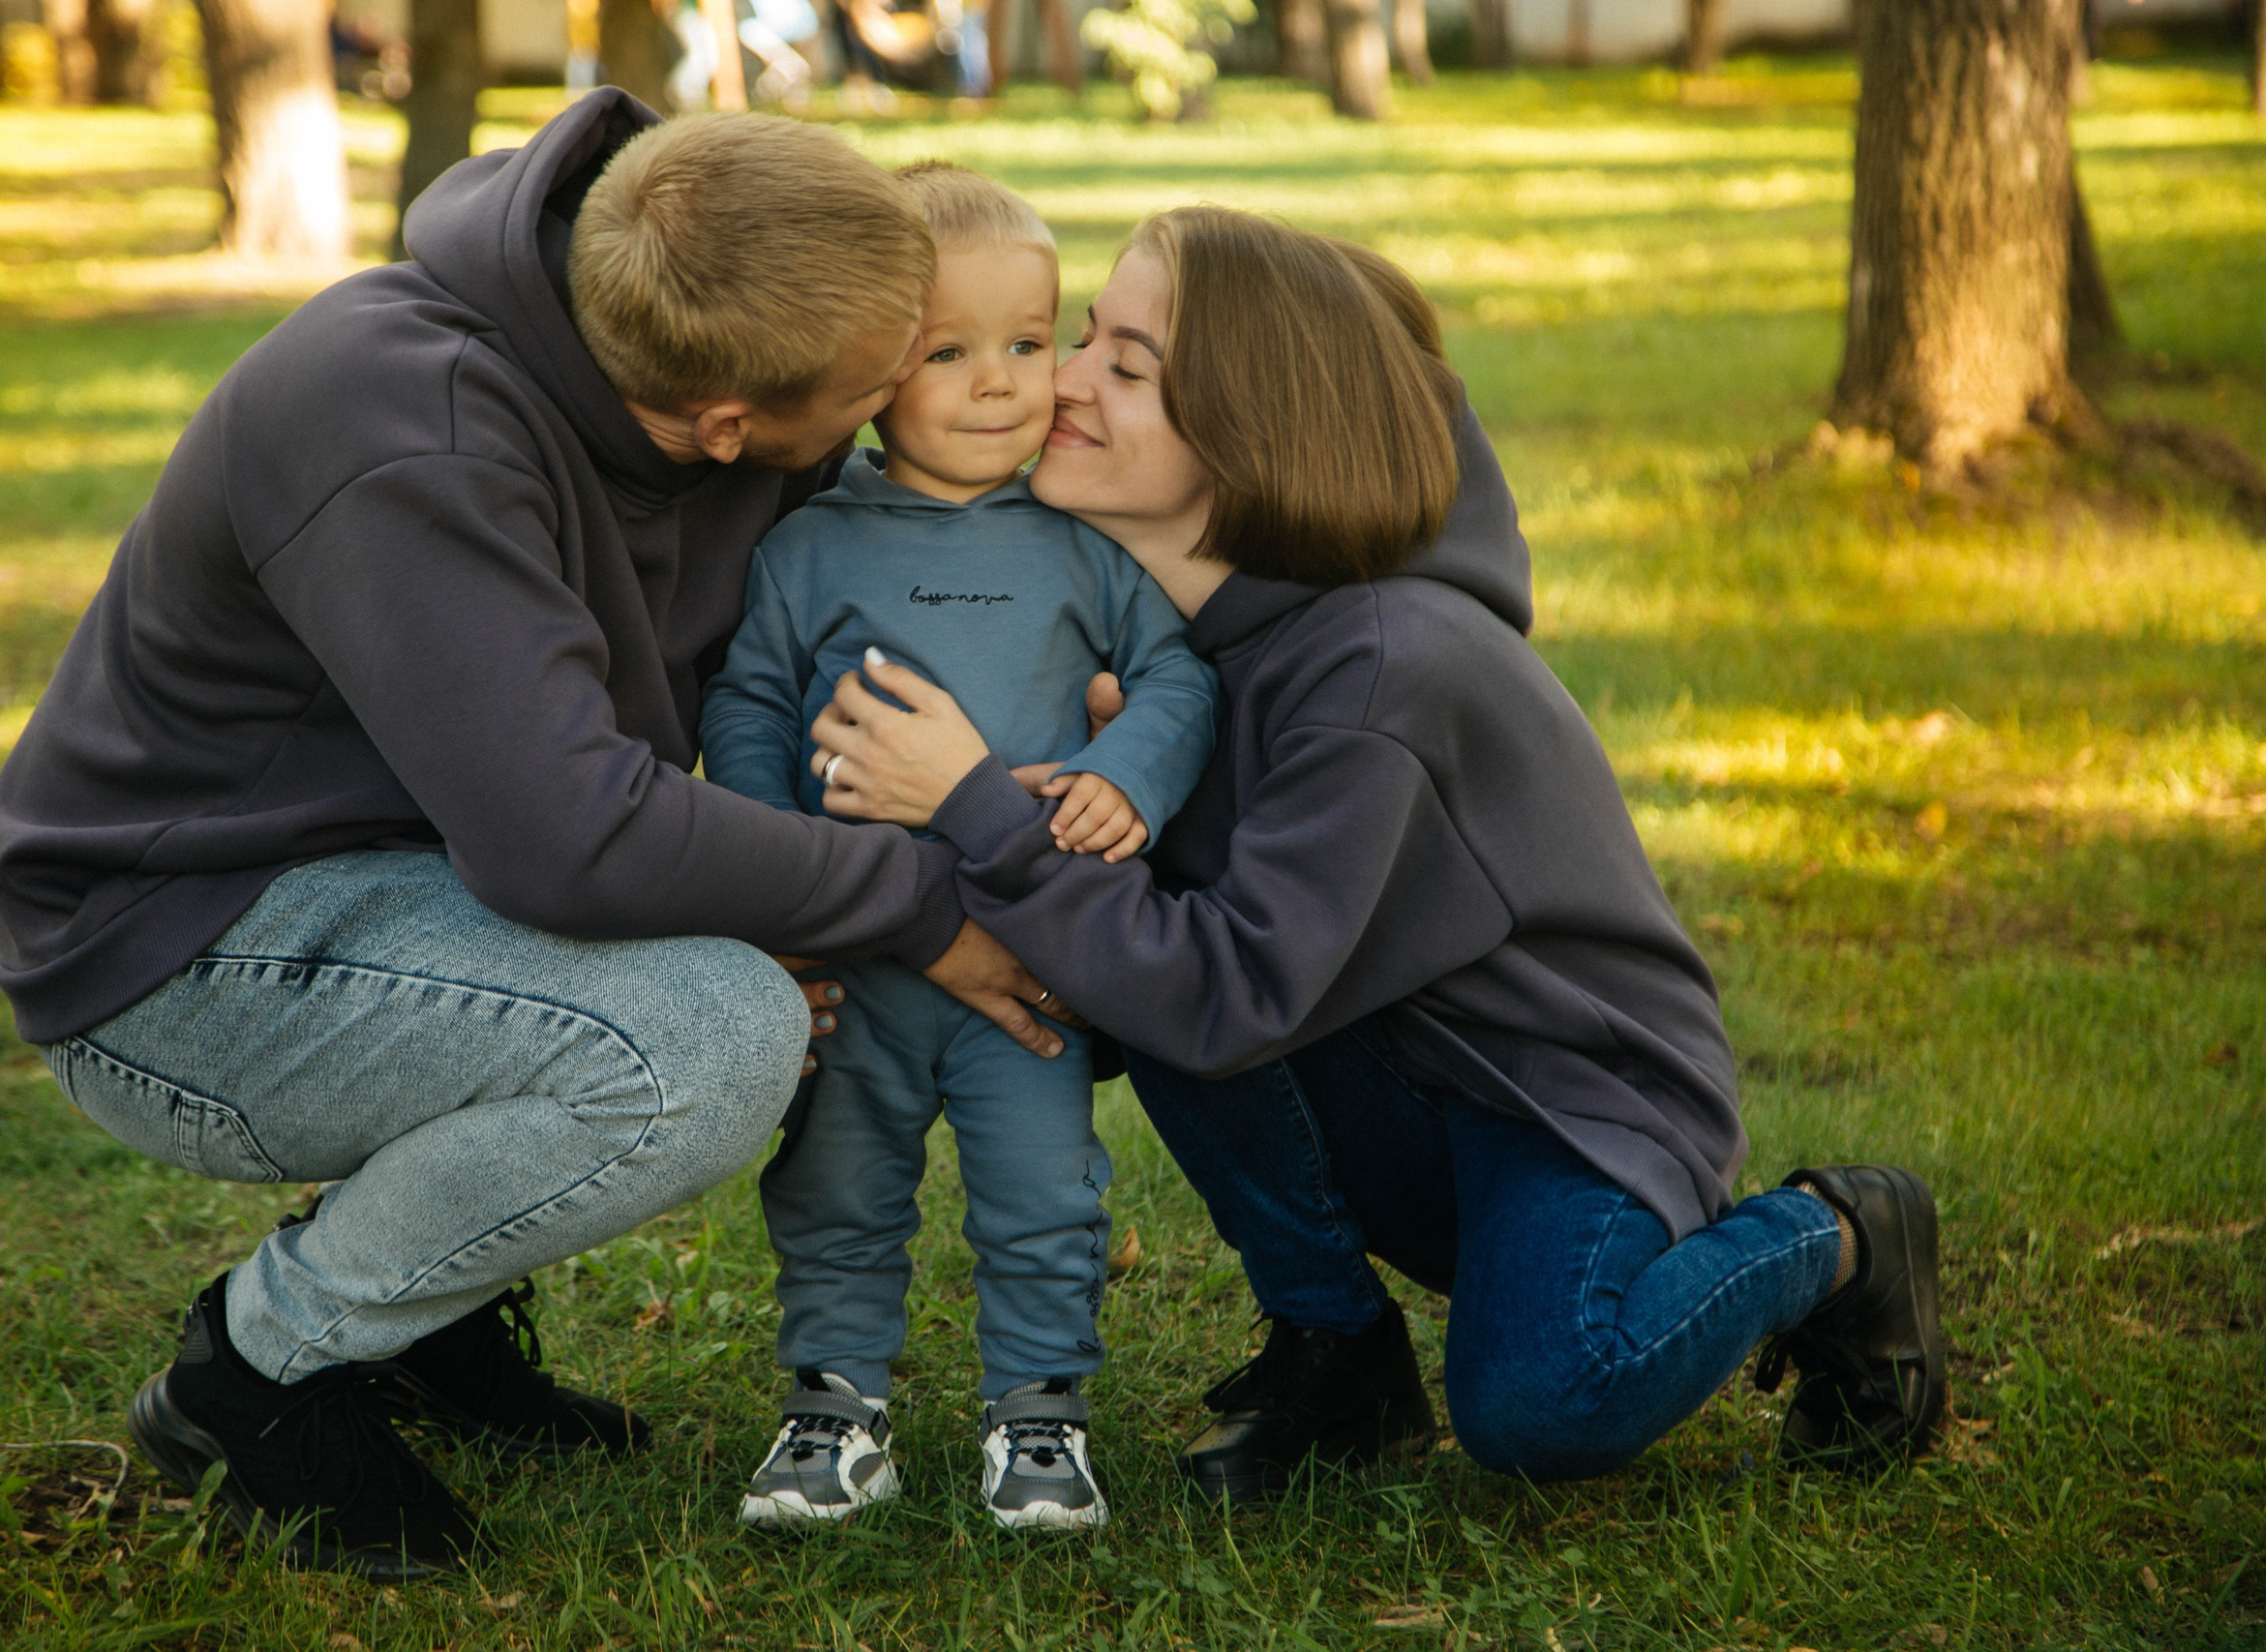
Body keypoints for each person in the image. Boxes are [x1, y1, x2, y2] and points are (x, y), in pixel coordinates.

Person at [0, 100, 1068, 1580]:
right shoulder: (398, 421)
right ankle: (260, 1372)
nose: (901, 406)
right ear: (729, 429)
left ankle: (425, 1322)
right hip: (181, 954)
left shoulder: (709, 315)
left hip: (422, 878)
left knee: (709, 955)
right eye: (884, 383)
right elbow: (571, 842)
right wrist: (918, 905)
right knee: (704, 1030)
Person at [803, 205, 1949, 1502]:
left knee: (1545, 1403)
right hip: (1391, 1072)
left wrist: (979, 808)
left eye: (1126, 367)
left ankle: (1844, 1233)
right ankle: (1340, 1358)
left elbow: (1220, 994)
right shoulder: (1163, 645)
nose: (1059, 379)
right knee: (1155, 940)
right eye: (1086, 339)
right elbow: (1130, 995)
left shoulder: (1382, 672)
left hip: (1567, 1110)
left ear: (1251, 439)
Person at [700, 163, 1218, 1532]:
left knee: (1044, 1190)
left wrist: (1127, 776)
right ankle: (833, 1408)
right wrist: (769, 878)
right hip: (855, 949)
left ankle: (1041, 1419)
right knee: (831, 1178)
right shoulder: (807, 546)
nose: (1001, 384)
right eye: (948, 352)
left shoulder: (1082, 541)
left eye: (1031, 344)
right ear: (871, 373)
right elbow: (748, 702)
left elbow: (1177, 681)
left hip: (1023, 954)